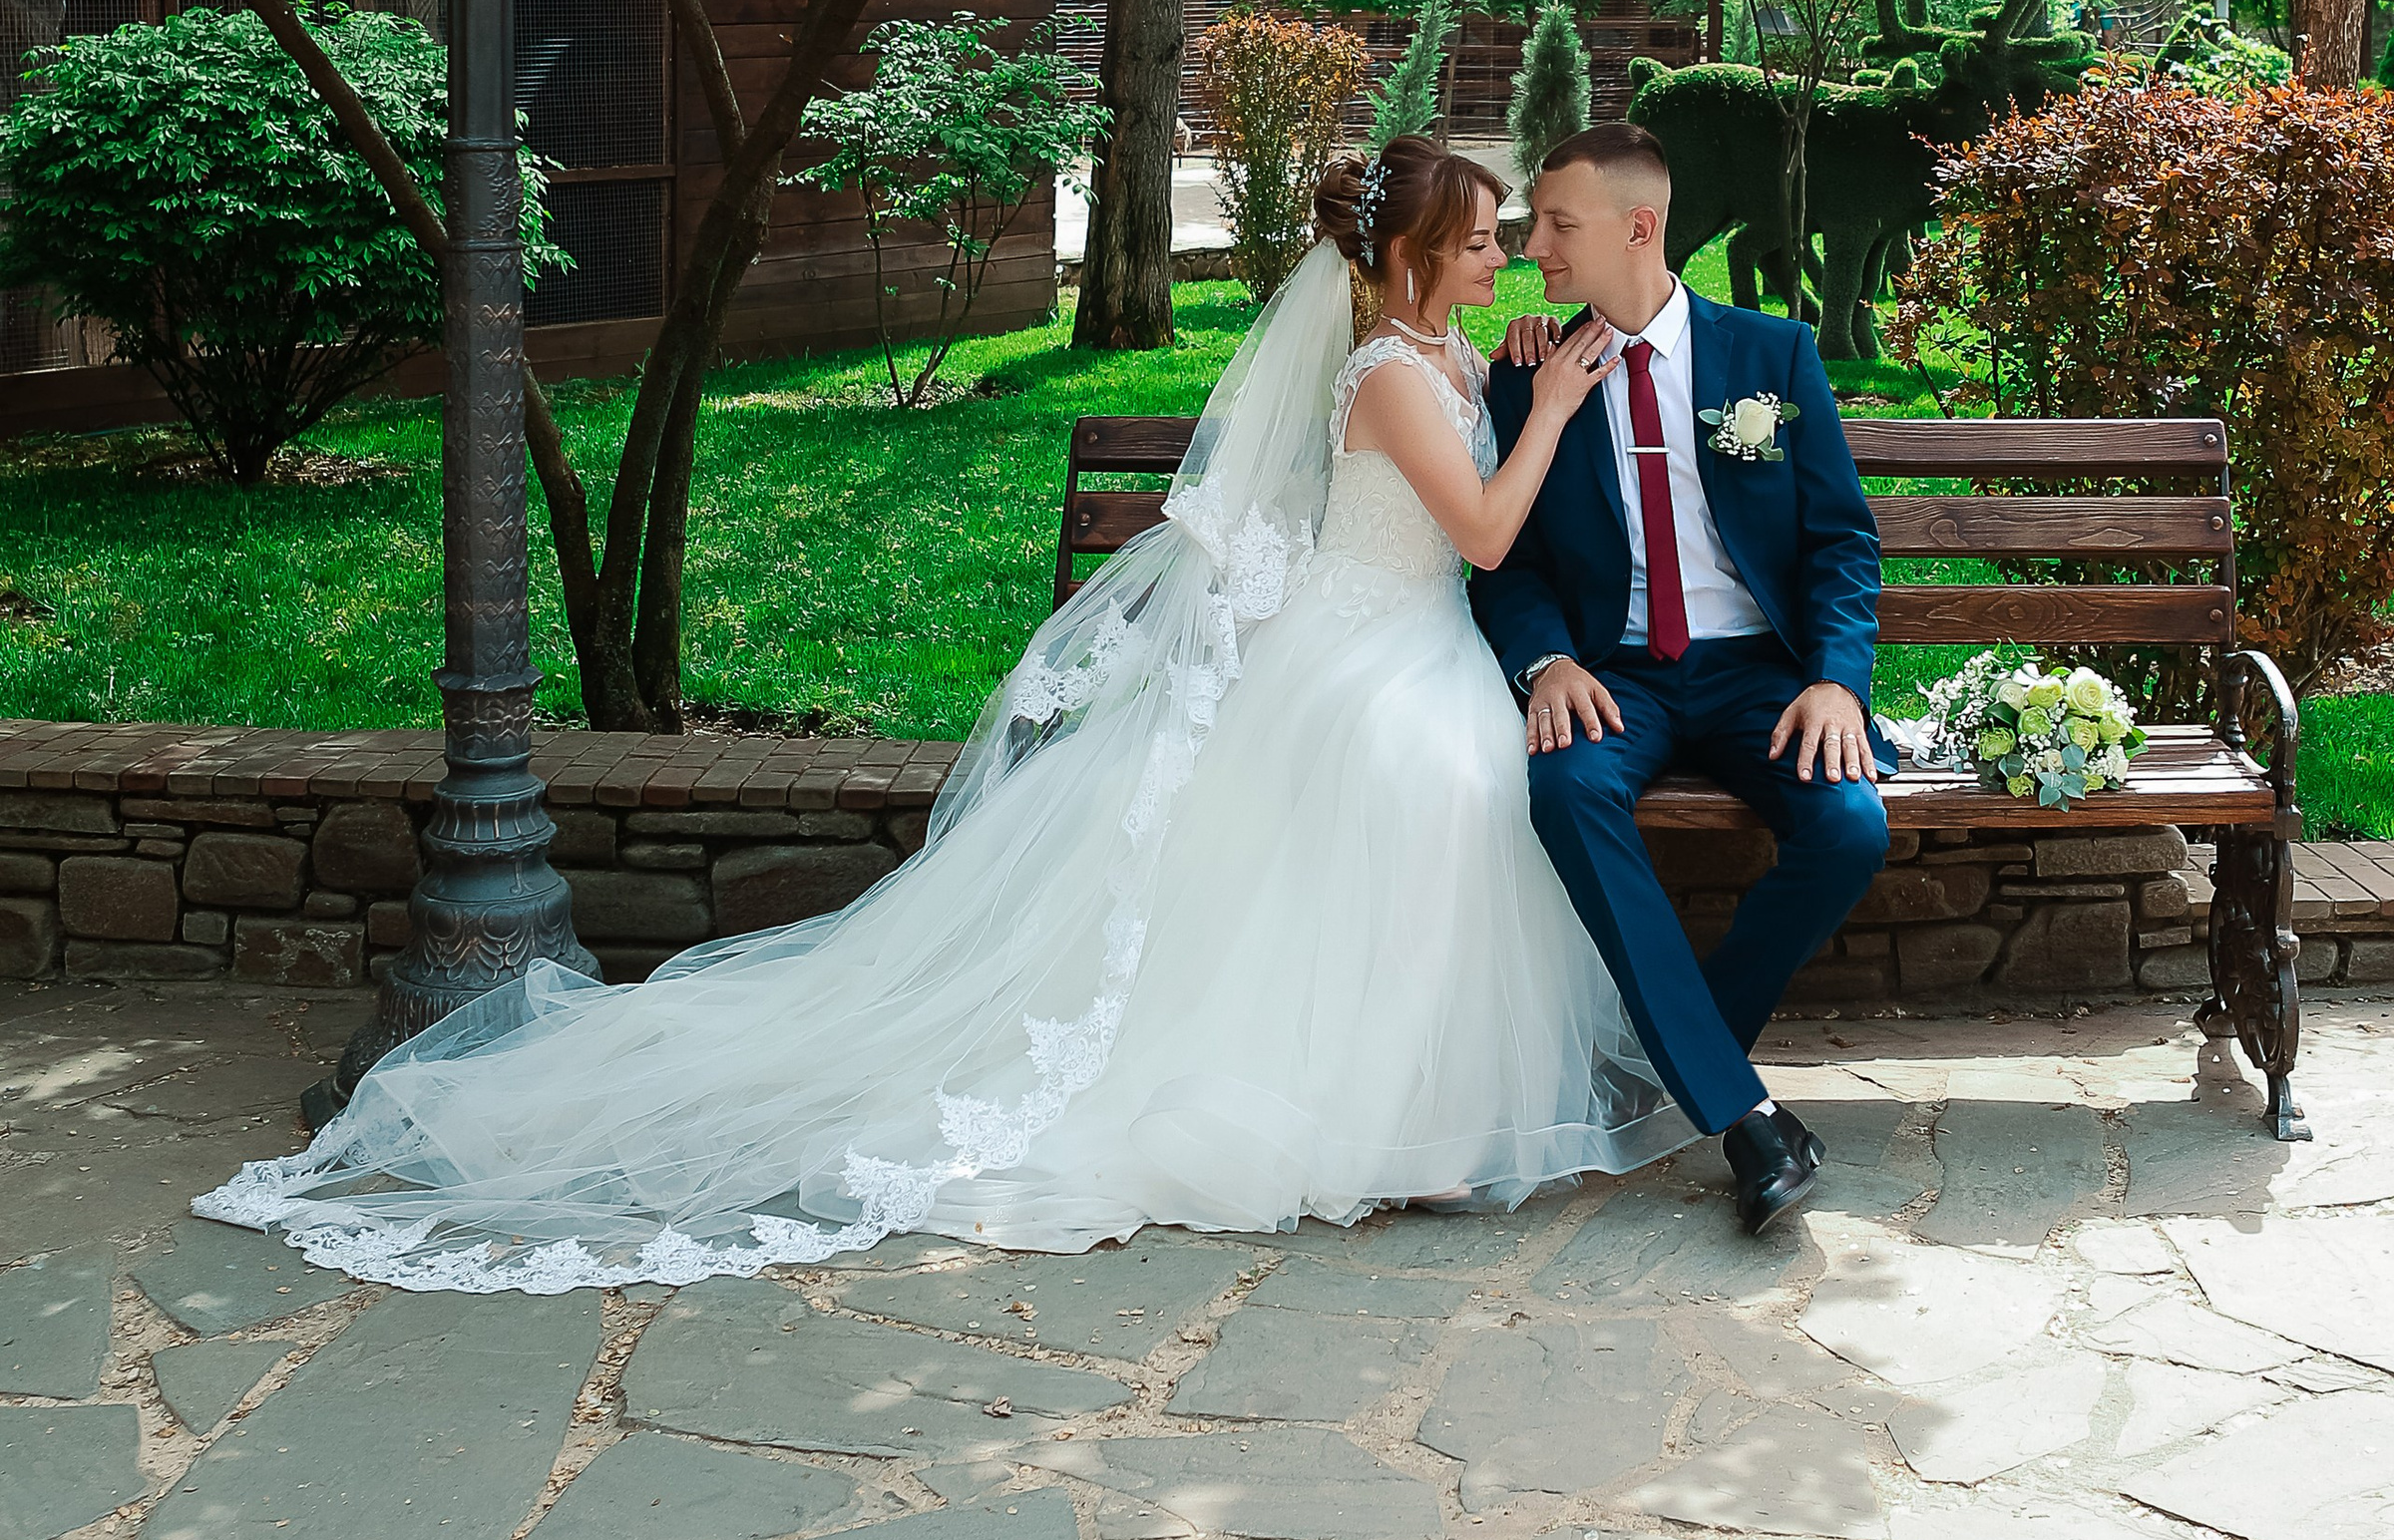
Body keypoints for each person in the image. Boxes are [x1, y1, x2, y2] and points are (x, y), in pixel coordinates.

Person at [195, 137, 1692, 1290]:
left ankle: (1416, 1109)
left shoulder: (1433, 352)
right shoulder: (1384, 371)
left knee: (1461, 777)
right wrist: (1554, 405)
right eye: (1485, 242)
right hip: (1376, 653)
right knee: (1433, 779)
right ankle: (1367, 1120)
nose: (1506, 261)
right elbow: (1488, 536)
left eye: (1507, 239)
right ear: (1417, 258)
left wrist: (1510, 376)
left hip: (1401, 636)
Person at [1475, 121, 1892, 1234]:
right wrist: (1546, 659)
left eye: (1557, 225)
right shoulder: (1526, 377)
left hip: (1763, 675)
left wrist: (1836, 681)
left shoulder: (1772, 356)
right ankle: (1746, 1118)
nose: (1534, 249)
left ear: (1638, 227)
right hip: (1619, 678)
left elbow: (1840, 544)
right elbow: (1501, 564)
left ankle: (1677, 1071)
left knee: (1850, 828)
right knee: (1565, 788)